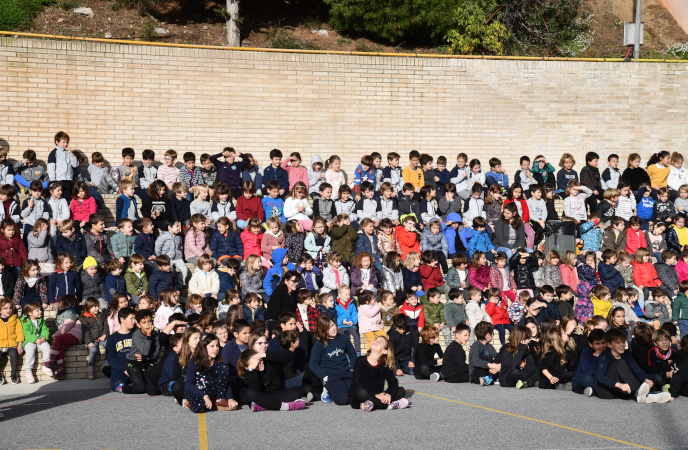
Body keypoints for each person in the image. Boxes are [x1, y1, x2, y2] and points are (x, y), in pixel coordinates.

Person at [348, 335, 408, 411]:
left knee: (401, 390)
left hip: (377, 395)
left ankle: (372, 404)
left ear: (384, 351)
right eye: (376, 339)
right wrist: (375, 395)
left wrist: (388, 394)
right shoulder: (360, 360)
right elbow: (357, 383)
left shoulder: (384, 364)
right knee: (361, 392)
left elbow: (393, 382)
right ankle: (388, 406)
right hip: (359, 397)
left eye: (380, 341)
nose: (376, 341)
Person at [309, 314, 358, 405]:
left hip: (346, 373)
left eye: (332, 325)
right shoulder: (319, 344)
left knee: (356, 395)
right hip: (331, 376)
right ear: (322, 330)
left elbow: (352, 354)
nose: (332, 329)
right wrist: (324, 376)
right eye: (328, 328)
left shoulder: (343, 338)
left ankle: (323, 394)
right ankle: (327, 390)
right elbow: (313, 364)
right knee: (343, 400)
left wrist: (353, 369)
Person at [185, 333, 237, 413]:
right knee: (200, 407)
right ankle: (188, 402)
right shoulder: (194, 361)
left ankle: (219, 400)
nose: (216, 349)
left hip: (212, 391)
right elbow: (189, 384)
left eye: (217, 346)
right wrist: (204, 396)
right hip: (197, 392)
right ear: (204, 347)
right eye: (212, 346)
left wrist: (230, 398)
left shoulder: (219, 362)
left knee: (224, 367)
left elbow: (226, 381)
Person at [115, 309, 161, 395]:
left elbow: (156, 353)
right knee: (140, 389)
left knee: (151, 386)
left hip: (146, 362)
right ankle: (122, 388)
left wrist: (146, 358)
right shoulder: (136, 335)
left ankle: (138, 381)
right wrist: (148, 336)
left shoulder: (156, 334)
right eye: (144, 323)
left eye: (150, 321)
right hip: (133, 363)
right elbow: (145, 351)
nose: (147, 325)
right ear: (138, 325)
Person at [79, 297, 109, 380]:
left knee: (109, 346)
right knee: (93, 350)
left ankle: (106, 364)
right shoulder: (85, 319)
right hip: (92, 340)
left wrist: (104, 335)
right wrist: (89, 342)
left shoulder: (101, 315)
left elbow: (105, 325)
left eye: (98, 306)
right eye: (94, 307)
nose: (97, 308)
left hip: (101, 338)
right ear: (88, 307)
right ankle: (90, 368)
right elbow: (86, 332)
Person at [0, 298, 23, 384]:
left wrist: (20, 345)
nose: (8, 310)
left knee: (13, 354)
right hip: (0, 343)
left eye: (10, 308)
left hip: (11, 343)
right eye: (5, 308)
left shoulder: (15, 319)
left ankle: (13, 373)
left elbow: (19, 332)